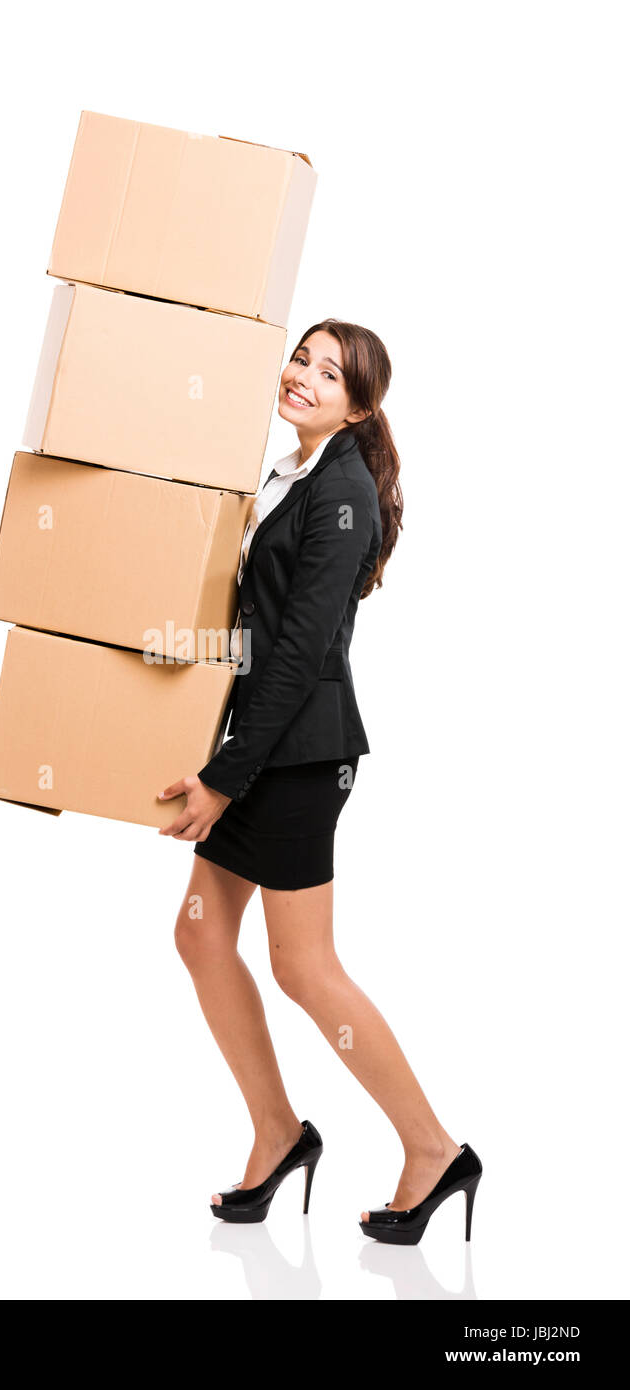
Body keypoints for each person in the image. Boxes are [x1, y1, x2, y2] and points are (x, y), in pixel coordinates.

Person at [158, 320, 482, 1241]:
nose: (303, 375)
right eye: (301, 356)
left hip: (297, 758)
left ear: (362, 403)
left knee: (303, 965)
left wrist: (223, 776)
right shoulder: (290, 472)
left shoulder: (343, 493)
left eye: (328, 372)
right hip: (262, 746)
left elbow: (298, 655)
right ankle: (278, 1132)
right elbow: (249, 620)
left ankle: (433, 1150)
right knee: (198, 936)